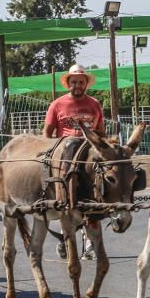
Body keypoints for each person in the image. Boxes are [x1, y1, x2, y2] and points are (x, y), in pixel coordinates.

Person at [43, 64, 105, 260]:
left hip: (88, 154)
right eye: (74, 82)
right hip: (66, 154)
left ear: (86, 84)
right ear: (68, 84)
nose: (77, 85)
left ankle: (89, 243)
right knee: (68, 198)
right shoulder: (57, 105)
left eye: (81, 82)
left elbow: (101, 132)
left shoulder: (94, 104)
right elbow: (47, 133)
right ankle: (65, 236)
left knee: (97, 193)